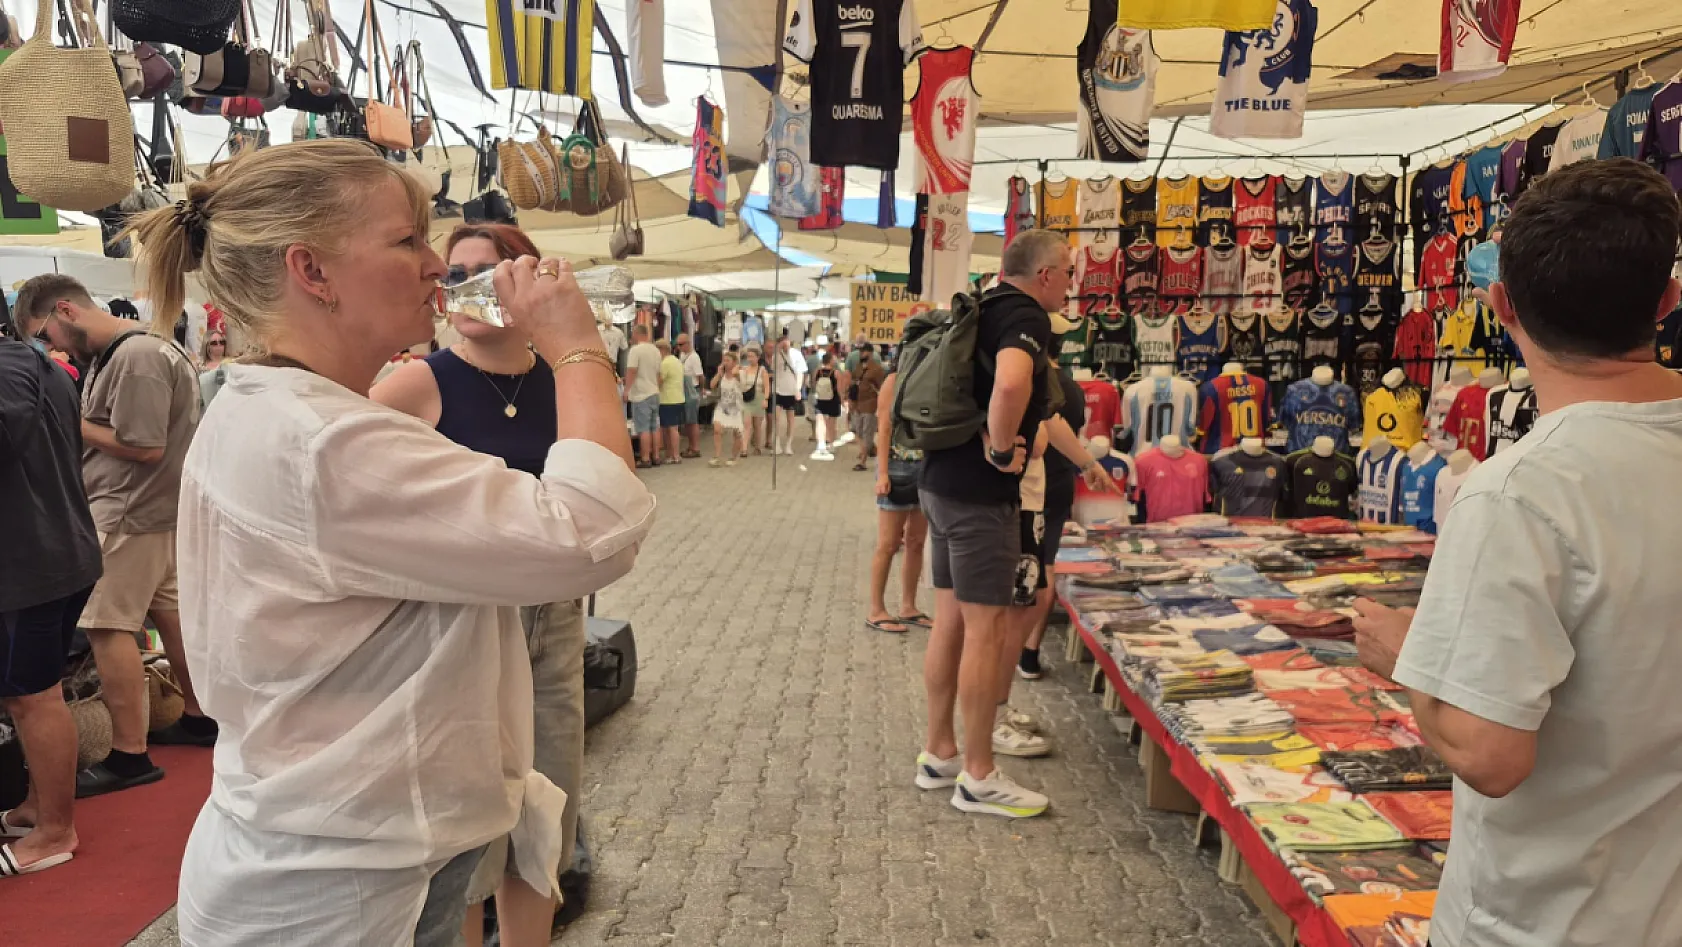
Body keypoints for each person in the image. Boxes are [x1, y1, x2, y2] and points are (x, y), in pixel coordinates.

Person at [125, 139, 655, 945]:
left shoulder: (288, 414)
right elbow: (590, 532)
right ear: (313, 270)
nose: (435, 265)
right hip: (340, 886)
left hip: (339, 859)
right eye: (407, 239)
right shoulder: (322, 441)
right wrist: (577, 344)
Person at [1352, 159, 1682, 947]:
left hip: (1545, 920)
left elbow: (1491, 751)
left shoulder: (1520, 491)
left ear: (1501, 307)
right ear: (1667, 301)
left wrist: (1407, 655)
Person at [369, 221, 593, 947]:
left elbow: (602, 497)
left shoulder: (566, 379)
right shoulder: (418, 382)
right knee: (467, 829)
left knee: (547, 812)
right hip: (458, 627)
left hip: (553, 621)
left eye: (483, 270)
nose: (459, 285)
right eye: (452, 270)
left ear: (523, 278)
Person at [17, 273, 213, 797]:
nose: (49, 347)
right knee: (171, 618)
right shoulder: (133, 349)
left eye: (45, 334)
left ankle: (130, 753)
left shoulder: (136, 355)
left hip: (128, 511)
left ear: (66, 310)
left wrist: (66, 420)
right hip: (150, 511)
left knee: (106, 626)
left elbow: (143, 445)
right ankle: (198, 716)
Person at [915, 229, 1072, 819]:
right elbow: (1011, 381)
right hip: (981, 496)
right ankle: (979, 776)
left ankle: (938, 753)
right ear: (1046, 274)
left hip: (938, 484)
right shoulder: (1025, 317)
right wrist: (1004, 448)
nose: (1071, 286)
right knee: (985, 631)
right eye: (1069, 274)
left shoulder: (979, 304)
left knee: (949, 619)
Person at [0, 308, 103, 877]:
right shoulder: (39, 364)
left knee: (34, 696)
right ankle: (43, 806)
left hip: (30, 563)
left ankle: (55, 829)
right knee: (33, 692)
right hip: (57, 549)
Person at [865, 365, 928, 634]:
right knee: (889, 543)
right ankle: (876, 609)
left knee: (916, 542)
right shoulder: (894, 379)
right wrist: (882, 473)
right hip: (898, 466)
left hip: (927, 467)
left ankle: (908, 606)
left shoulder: (933, 377)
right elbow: (884, 425)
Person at [622, 324, 662, 469]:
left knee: (643, 428)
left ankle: (645, 458)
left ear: (637, 334)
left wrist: (626, 390)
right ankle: (656, 456)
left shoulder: (635, 350)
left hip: (641, 394)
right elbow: (659, 374)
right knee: (655, 426)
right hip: (654, 392)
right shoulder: (656, 350)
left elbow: (632, 371)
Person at [848, 343, 888, 472]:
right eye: (860, 351)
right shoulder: (858, 367)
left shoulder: (877, 369)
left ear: (870, 353)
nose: (861, 354)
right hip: (857, 404)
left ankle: (863, 461)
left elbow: (881, 388)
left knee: (867, 433)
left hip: (870, 405)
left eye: (863, 352)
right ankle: (871, 450)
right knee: (857, 431)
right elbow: (852, 380)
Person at [771, 335, 807, 455]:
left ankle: (788, 444)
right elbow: (773, 368)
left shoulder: (796, 354)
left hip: (791, 390)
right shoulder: (776, 355)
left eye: (786, 343)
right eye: (782, 343)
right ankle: (776, 444)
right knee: (776, 418)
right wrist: (779, 350)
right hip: (778, 389)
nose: (785, 345)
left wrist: (798, 389)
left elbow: (800, 372)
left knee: (791, 419)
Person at [710, 351, 745, 467]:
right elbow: (712, 385)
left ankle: (734, 457)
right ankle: (717, 456)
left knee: (737, 433)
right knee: (717, 429)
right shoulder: (722, 374)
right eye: (724, 360)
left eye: (728, 360)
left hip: (735, 408)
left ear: (734, 362)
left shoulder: (739, 373)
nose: (725, 363)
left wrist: (737, 372)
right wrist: (719, 374)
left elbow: (743, 384)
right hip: (722, 406)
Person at [655, 339, 686, 465]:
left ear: (662, 350)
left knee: (671, 429)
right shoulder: (677, 361)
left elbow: (659, 381)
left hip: (668, 399)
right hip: (678, 398)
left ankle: (675, 455)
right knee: (672, 428)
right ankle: (671, 454)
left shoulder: (665, 363)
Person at [677, 334, 705, 458]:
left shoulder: (694, 357)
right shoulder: (682, 355)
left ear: (688, 343)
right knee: (688, 421)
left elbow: (700, 376)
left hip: (692, 390)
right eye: (678, 344)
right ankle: (690, 445)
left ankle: (695, 447)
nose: (678, 347)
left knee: (693, 421)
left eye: (681, 344)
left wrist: (701, 390)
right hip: (683, 390)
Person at [809, 352, 841, 460]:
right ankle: (831, 444)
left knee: (820, 421)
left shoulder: (817, 371)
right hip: (833, 399)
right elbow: (839, 386)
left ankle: (821, 444)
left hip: (820, 399)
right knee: (832, 423)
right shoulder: (836, 372)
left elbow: (813, 383)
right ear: (831, 360)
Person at [739, 347, 769, 455]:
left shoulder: (762, 370)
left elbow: (766, 386)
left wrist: (766, 399)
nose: (750, 359)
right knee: (746, 424)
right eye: (748, 356)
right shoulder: (744, 369)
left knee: (757, 426)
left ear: (758, 357)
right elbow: (734, 373)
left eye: (752, 356)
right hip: (747, 399)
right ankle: (744, 449)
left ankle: (757, 446)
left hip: (759, 398)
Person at [198, 330, 230, 411]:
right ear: (207, 345)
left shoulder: (232, 364)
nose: (219, 345)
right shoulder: (199, 367)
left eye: (222, 342)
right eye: (214, 343)